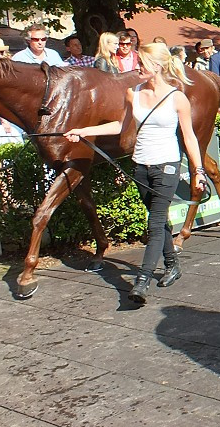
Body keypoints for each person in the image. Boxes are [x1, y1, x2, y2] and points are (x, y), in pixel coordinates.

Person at [65, 43, 206, 304]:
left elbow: (189, 137)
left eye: (141, 63)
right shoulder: (133, 93)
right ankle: (172, 264)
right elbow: (121, 125)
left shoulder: (178, 98)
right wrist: (82, 132)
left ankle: (141, 282)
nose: (136, 67)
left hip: (167, 166)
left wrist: (198, 171)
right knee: (158, 220)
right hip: (141, 166)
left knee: (153, 225)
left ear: (157, 66)